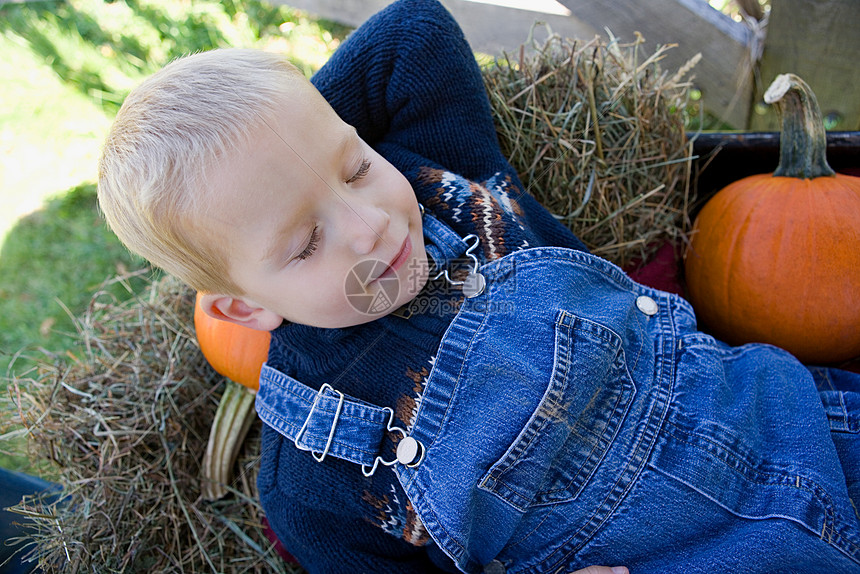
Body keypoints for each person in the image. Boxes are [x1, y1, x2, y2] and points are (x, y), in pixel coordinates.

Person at [97, 0, 860, 572]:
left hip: (786, 415)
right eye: (304, 242)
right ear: (242, 306)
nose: (369, 226)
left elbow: (412, 28)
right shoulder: (310, 481)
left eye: (356, 165)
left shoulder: (446, 176)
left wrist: (282, 139)